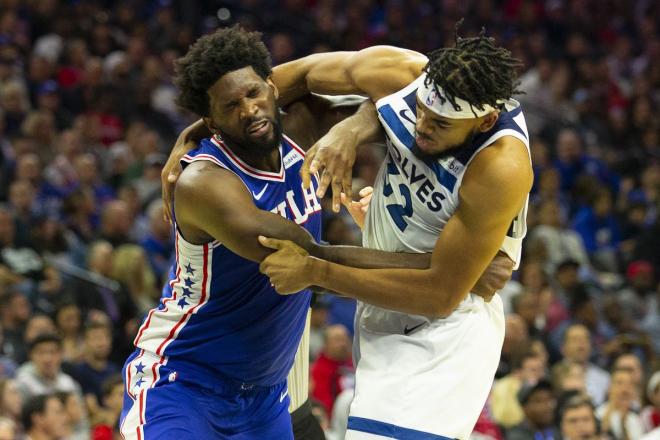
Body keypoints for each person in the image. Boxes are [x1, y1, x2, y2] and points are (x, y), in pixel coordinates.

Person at [133, 26, 512, 440]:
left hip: (264, 397)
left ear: (273, 88)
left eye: (254, 94)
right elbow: (310, 256)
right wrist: (453, 269)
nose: (250, 111)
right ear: (211, 121)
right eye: (231, 106)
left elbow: (384, 103)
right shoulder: (204, 183)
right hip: (184, 379)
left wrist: (349, 130)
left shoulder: (303, 125)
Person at [255, 30, 533, 438]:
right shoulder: (403, 71)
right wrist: (198, 134)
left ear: (484, 121)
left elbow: (439, 294)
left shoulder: (501, 166)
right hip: (380, 298)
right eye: (419, 109)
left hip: (446, 329)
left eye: (439, 124)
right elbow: (294, 76)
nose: (421, 126)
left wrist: (317, 271)